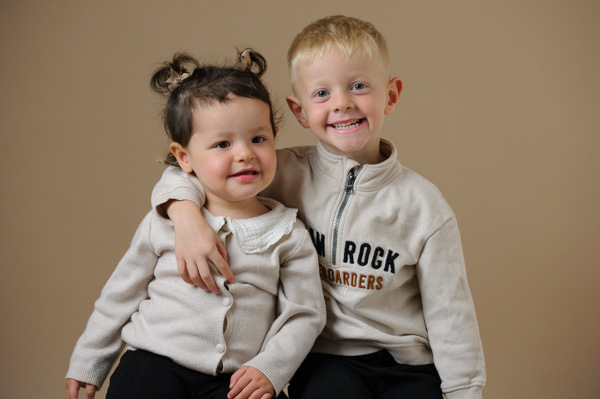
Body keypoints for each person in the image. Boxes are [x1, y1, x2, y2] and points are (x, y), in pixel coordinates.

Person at [151, 15, 486, 399]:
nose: (342, 103)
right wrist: (185, 214)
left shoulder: (424, 204)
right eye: (322, 94)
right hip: (323, 358)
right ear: (300, 111)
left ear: (390, 96)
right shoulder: (279, 173)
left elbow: (451, 313)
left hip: (408, 363)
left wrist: (464, 390)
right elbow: (186, 173)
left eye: (359, 86)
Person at [65, 49, 326, 399]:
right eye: (222, 144)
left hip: (236, 379)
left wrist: (270, 367)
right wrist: (90, 360)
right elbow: (119, 297)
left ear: (275, 136)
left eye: (258, 139)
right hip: (156, 361)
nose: (245, 153)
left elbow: (304, 314)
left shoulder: (289, 232)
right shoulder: (167, 219)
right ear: (184, 157)